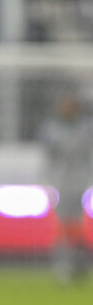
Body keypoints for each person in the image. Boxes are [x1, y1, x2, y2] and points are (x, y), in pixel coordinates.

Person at [40, 91, 92, 284]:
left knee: (76, 223)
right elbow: (48, 154)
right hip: (59, 182)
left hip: (80, 181)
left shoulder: (86, 127)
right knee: (62, 223)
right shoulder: (51, 127)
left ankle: (78, 261)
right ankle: (64, 264)